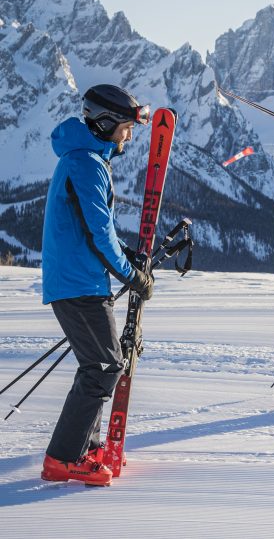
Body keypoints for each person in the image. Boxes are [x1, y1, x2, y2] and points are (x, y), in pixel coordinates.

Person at [39, 84, 155, 487]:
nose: (128, 135)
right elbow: (98, 237)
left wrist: (127, 258)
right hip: (78, 284)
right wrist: (133, 276)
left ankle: (83, 449)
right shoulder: (86, 164)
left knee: (99, 366)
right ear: (105, 124)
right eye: (125, 127)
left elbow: (98, 227)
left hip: (80, 279)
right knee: (104, 367)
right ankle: (62, 458)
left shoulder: (85, 160)